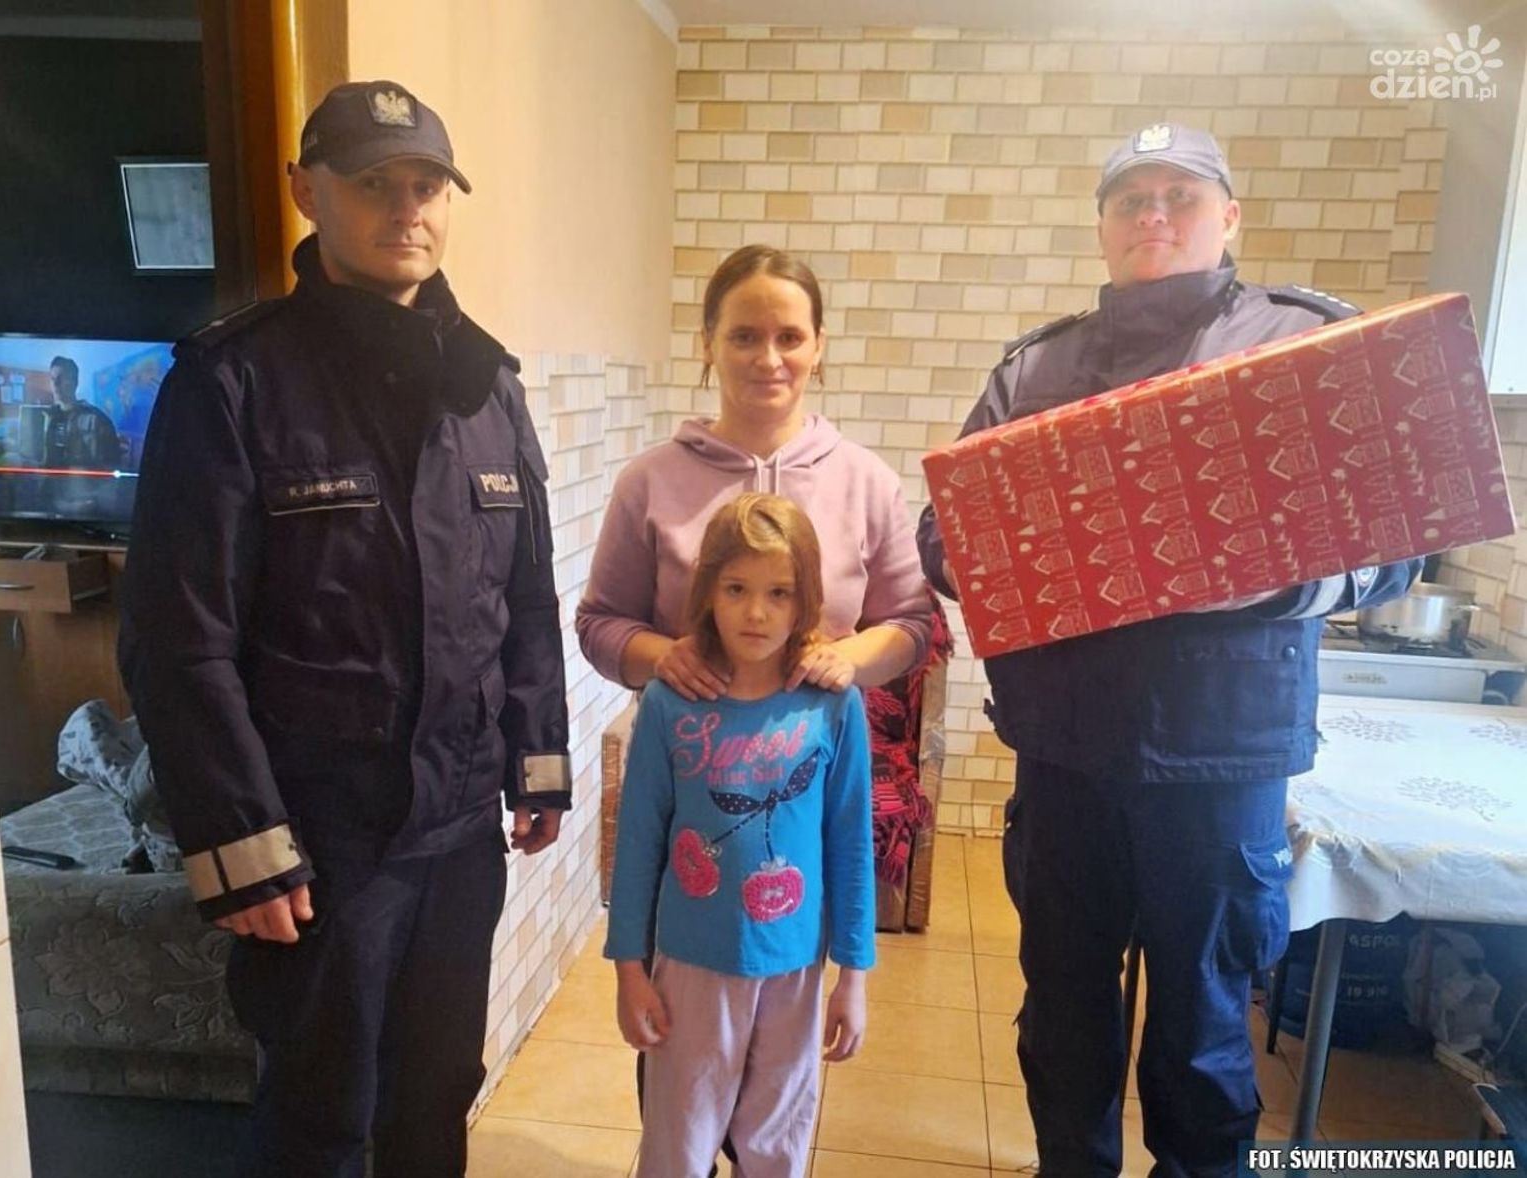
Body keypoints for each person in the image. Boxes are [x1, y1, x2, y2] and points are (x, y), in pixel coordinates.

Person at [917, 123, 1422, 1175]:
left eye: (1180, 196)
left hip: (1223, 760)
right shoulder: (1035, 368)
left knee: (1201, 1026)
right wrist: (1022, 560)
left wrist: (1271, 581)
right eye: (1131, 199)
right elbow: (943, 534)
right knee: (1062, 1011)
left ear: (1228, 217)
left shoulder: (1303, 347)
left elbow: (1397, 544)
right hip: (1065, 755)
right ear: (1103, 227)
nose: (1154, 215)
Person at [119, 80, 570, 1178]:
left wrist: (540, 763)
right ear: (306, 192)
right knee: (320, 1116)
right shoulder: (234, 382)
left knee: (437, 1095)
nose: (406, 208)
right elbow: (178, 640)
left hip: (459, 835)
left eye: (427, 186)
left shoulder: (489, 386)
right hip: (320, 846)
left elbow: (525, 599)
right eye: (375, 184)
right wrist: (243, 846)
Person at [605, 492, 875, 1178]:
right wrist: (629, 970)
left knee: (776, 1146)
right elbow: (637, 842)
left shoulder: (833, 705)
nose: (757, 612)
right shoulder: (670, 702)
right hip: (691, 967)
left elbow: (850, 844)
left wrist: (854, 975)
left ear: (805, 599)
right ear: (708, 592)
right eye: (737, 589)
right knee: (679, 1143)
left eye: (779, 593)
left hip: (795, 966)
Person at [575, 242, 933, 700]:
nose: (768, 360)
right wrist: (664, 656)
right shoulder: (647, 483)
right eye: (744, 337)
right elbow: (599, 624)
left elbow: (909, 624)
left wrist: (847, 659)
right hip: (686, 741)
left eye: (790, 338)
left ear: (818, 346)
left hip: (821, 742)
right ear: (708, 344)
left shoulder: (869, 483)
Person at [41, 355, 120, 469]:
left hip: (82, 479)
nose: (55, 384)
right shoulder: (48, 417)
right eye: (53, 379)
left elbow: (111, 466)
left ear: (75, 382)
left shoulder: (97, 420)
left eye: (62, 378)